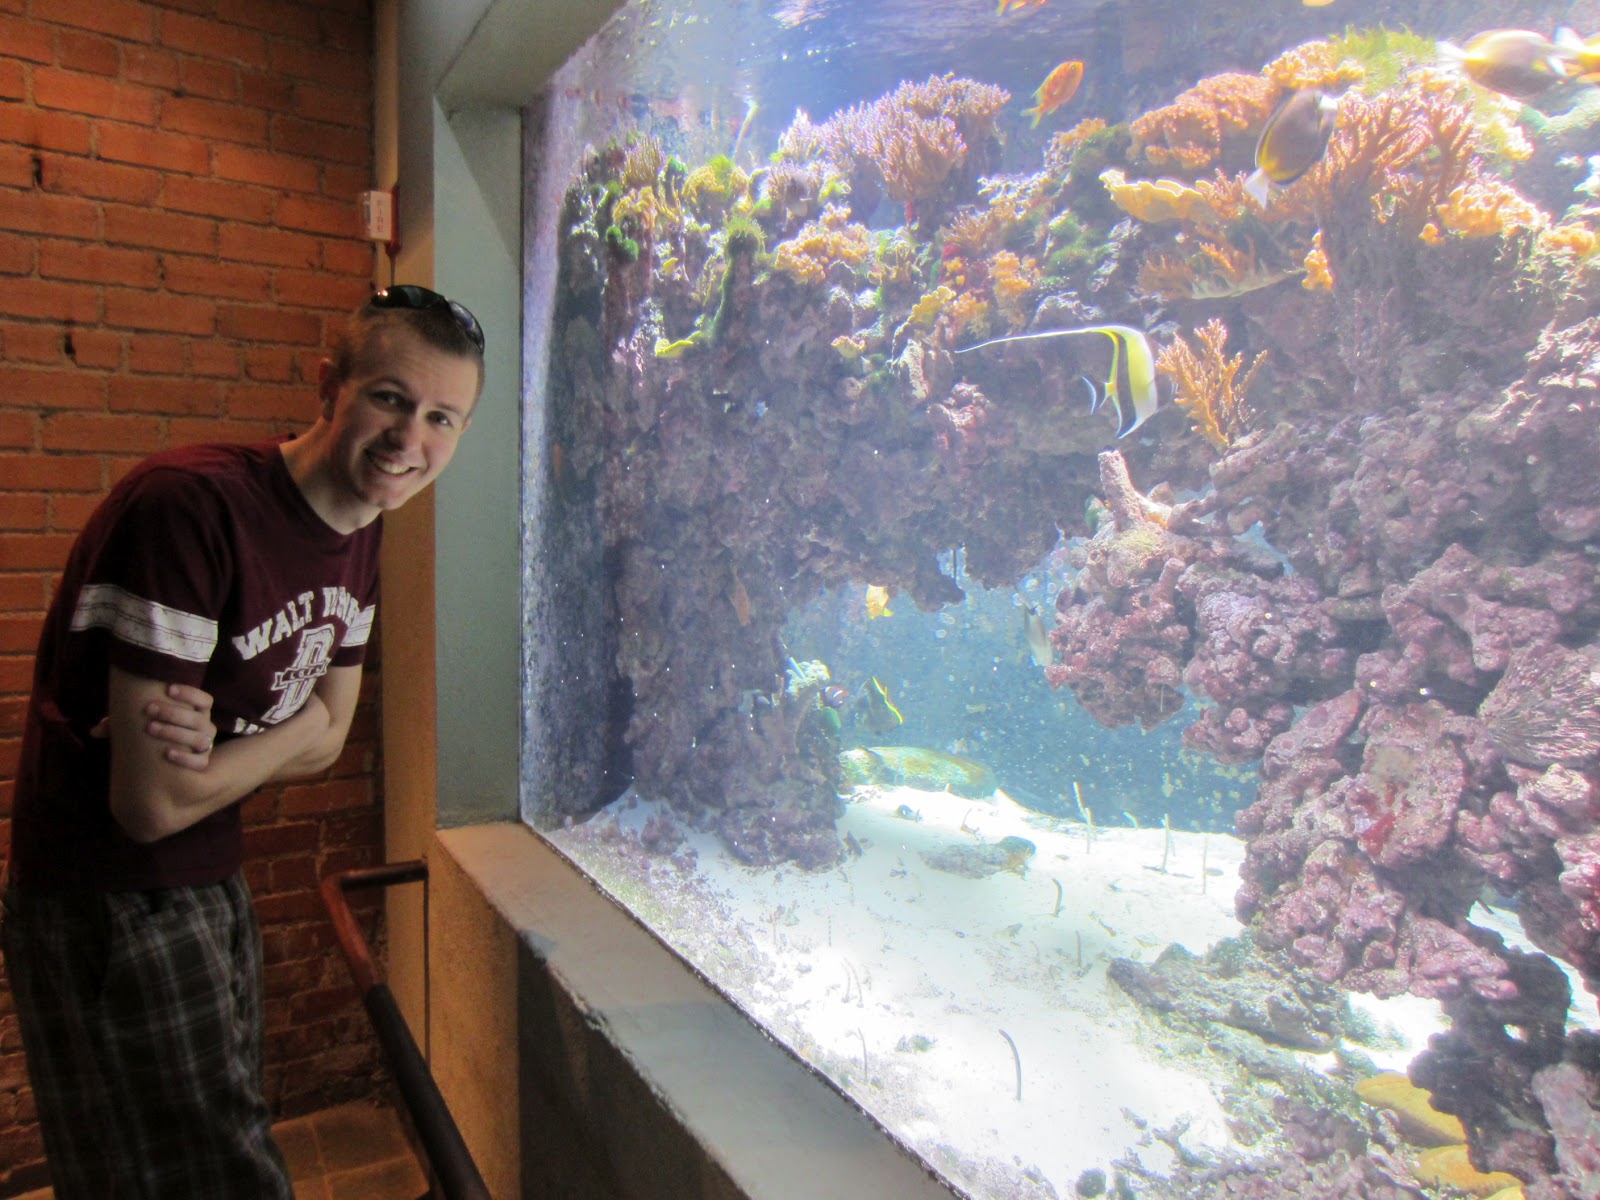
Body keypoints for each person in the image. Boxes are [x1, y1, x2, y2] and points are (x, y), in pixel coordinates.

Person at [0, 285, 485, 1198]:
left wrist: (230, 744)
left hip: (213, 871)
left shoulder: (360, 526)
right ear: (329, 386)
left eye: (440, 418)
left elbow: (331, 735)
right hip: (107, 896)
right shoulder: (190, 509)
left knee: (219, 1137)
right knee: (192, 1173)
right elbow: (150, 805)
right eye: (389, 398)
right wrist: (291, 730)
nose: (408, 438)